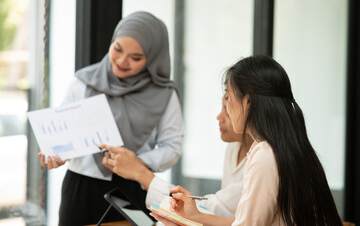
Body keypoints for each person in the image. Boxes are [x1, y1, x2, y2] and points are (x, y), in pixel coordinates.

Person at [151, 55, 343, 225]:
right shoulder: (291, 148)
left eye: (228, 97)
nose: (225, 108)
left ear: (248, 101)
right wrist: (195, 217)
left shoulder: (265, 155)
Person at [37, 11, 184, 225]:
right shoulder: (83, 82)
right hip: (80, 189)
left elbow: (173, 147)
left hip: (133, 186)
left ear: (152, 58)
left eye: (136, 58)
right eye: (117, 49)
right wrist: (58, 153)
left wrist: (135, 162)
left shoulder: (164, 95)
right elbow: (65, 133)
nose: (123, 61)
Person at [101, 95, 253, 217]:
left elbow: (211, 211)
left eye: (227, 109)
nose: (219, 116)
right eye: (222, 106)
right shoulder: (234, 147)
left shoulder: (261, 160)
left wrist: (140, 172)